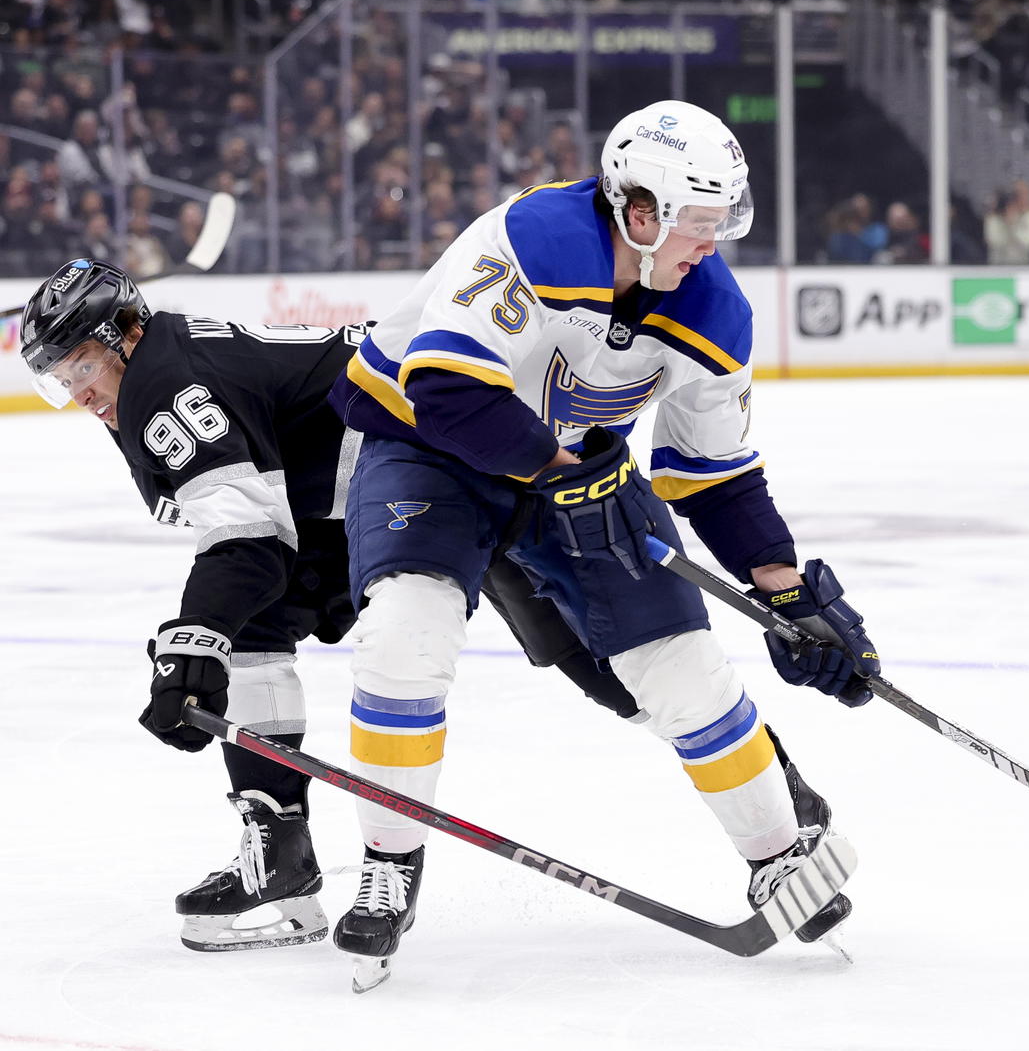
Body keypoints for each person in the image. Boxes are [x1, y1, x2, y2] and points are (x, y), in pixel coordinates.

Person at [328, 99, 879, 987]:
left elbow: (715, 474)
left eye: (719, 224)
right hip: (429, 451)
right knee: (405, 636)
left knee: (682, 664)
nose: (711, 244)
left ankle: (779, 852)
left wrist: (790, 592)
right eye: (698, 224)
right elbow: (446, 391)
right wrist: (557, 468)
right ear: (641, 210)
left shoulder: (714, 308)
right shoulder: (530, 236)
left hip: (576, 471)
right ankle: (391, 866)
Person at [16, 258, 649, 954]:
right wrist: (207, 633)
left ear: (126, 334)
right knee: (252, 624)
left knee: (599, 655)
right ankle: (279, 849)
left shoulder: (165, 383)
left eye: (81, 366)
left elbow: (249, 541)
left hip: (449, 456)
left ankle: (757, 779)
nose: (77, 392)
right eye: (59, 379)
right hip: (368, 486)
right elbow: (262, 531)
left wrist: (194, 636)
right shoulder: (159, 365)